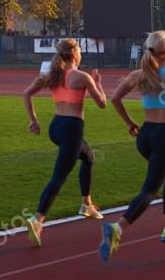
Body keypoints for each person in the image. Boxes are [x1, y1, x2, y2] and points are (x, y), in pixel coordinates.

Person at [99, 30, 165, 261]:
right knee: (149, 190)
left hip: (145, 136)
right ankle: (118, 228)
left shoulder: (139, 74)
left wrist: (130, 122)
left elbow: (115, 98)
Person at [22, 38, 107, 248]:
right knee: (59, 177)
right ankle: (38, 219)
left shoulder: (52, 75)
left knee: (88, 157)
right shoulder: (82, 77)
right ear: (75, 54)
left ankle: (86, 204)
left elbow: (26, 94)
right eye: (80, 50)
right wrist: (97, 84)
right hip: (71, 129)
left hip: (56, 127)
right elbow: (103, 103)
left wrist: (34, 120)